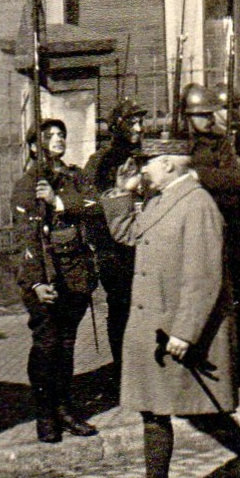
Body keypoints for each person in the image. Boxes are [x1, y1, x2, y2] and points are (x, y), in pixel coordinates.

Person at [100, 137, 240, 478]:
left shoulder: (198, 204)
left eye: (147, 163)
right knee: (153, 410)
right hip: (154, 326)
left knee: (206, 413)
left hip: (182, 329)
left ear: (168, 164)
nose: (143, 170)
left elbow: (204, 278)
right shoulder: (161, 199)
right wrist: (121, 193)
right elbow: (128, 234)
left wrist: (185, 333)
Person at [11, 118, 101, 444]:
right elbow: (25, 238)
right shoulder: (28, 183)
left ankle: (65, 407)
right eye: (50, 136)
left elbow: (94, 204)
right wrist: (35, 282)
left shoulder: (74, 177)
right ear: (35, 146)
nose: (58, 139)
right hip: (44, 275)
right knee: (47, 345)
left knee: (67, 344)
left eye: (62, 134)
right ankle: (45, 413)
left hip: (75, 272)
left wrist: (58, 202)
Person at [183, 84, 240, 328]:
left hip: (238, 221)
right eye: (203, 114)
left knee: (238, 290)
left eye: (236, 108)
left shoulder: (225, 142)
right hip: (202, 224)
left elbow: (237, 177)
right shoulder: (183, 144)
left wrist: (198, 175)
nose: (232, 114)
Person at [84, 97, 148, 369]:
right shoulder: (101, 161)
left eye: (141, 121)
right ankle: (123, 369)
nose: (139, 128)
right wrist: (121, 197)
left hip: (144, 240)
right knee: (121, 307)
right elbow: (89, 205)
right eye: (132, 122)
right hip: (114, 248)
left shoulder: (147, 155)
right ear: (118, 126)